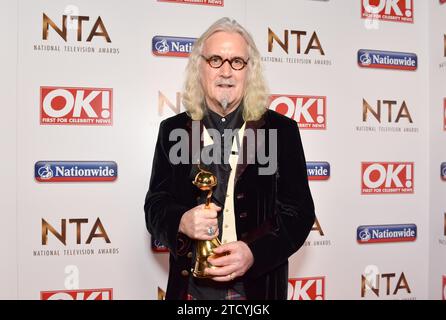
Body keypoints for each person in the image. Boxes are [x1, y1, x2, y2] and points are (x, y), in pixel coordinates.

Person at [144, 17, 315, 300]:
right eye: (215, 60)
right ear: (199, 67)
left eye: (237, 61)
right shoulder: (172, 130)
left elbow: (299, 213)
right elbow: (155, 205)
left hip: (257, 290)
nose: (226, 71)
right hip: (191, 291)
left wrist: (254, 253)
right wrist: (181, 221)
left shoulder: (281, 130)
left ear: (250, 72)